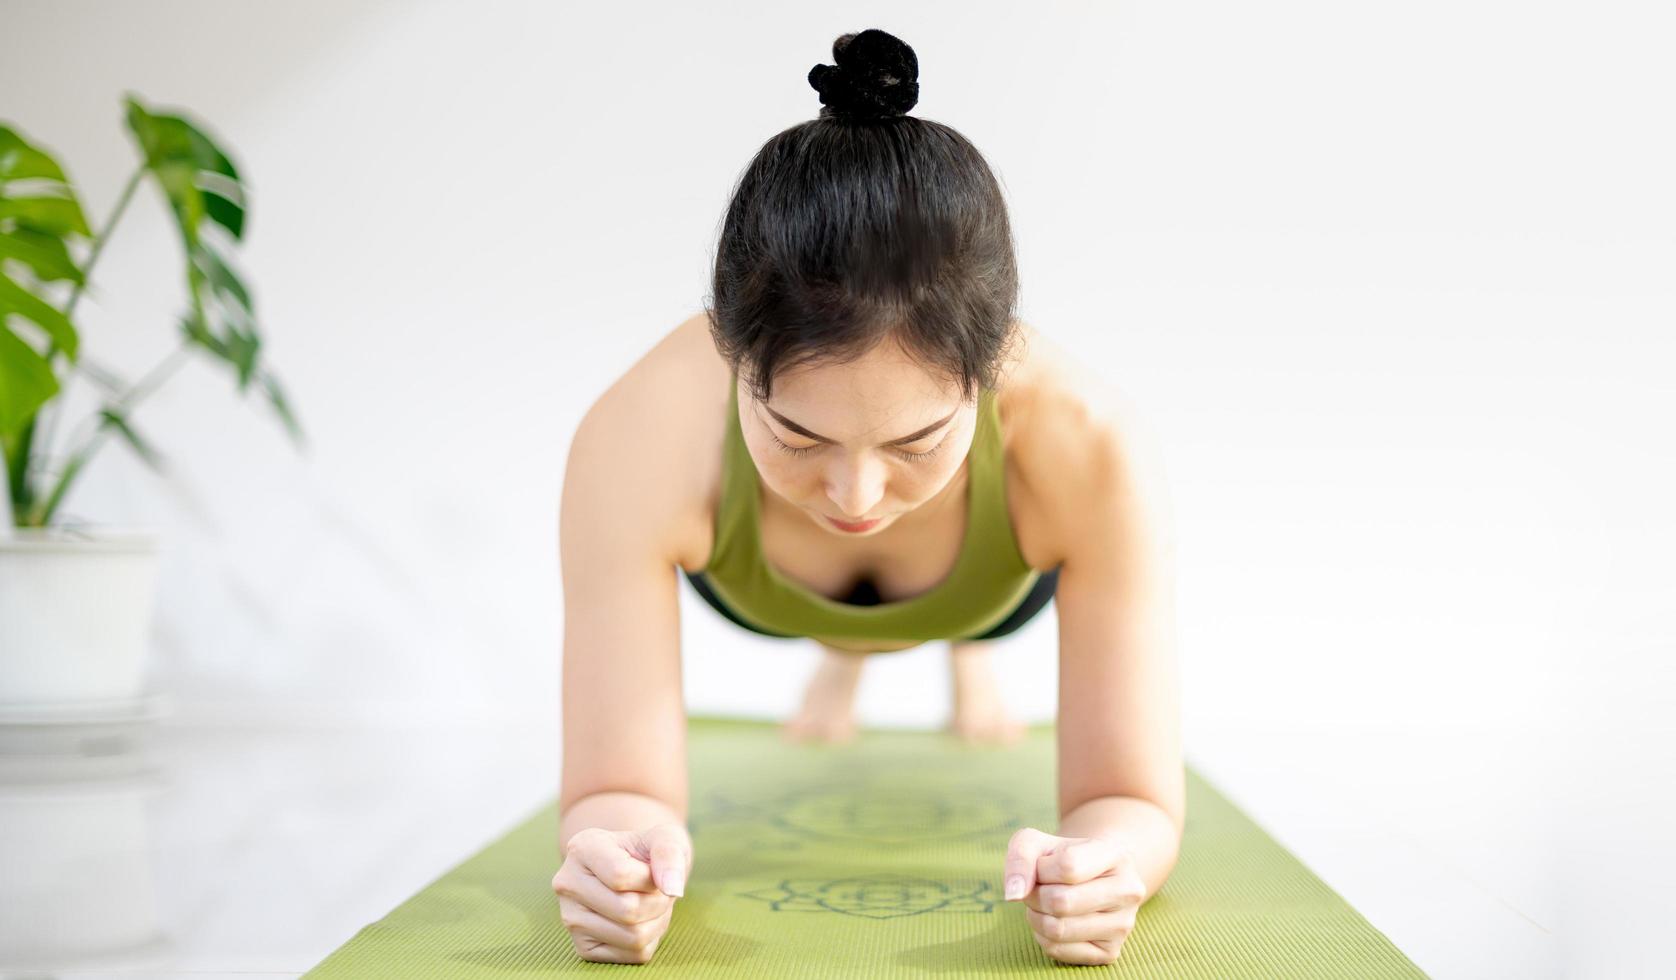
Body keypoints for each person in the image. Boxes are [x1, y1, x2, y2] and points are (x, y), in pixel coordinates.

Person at [551, 28, 1183, 968]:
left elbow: (1133, 798)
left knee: (967, 620)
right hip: (755, 582)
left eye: (917, 440)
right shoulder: (638, 438)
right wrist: (619, 855)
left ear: (993, 369)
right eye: (796, 434)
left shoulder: (1087, 445)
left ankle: (963, 650)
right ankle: (843, 652)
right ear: (730, 357)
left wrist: (1104, 864)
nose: (855, 495)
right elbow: (615, 787)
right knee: (845, 618)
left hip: (1000, 586)